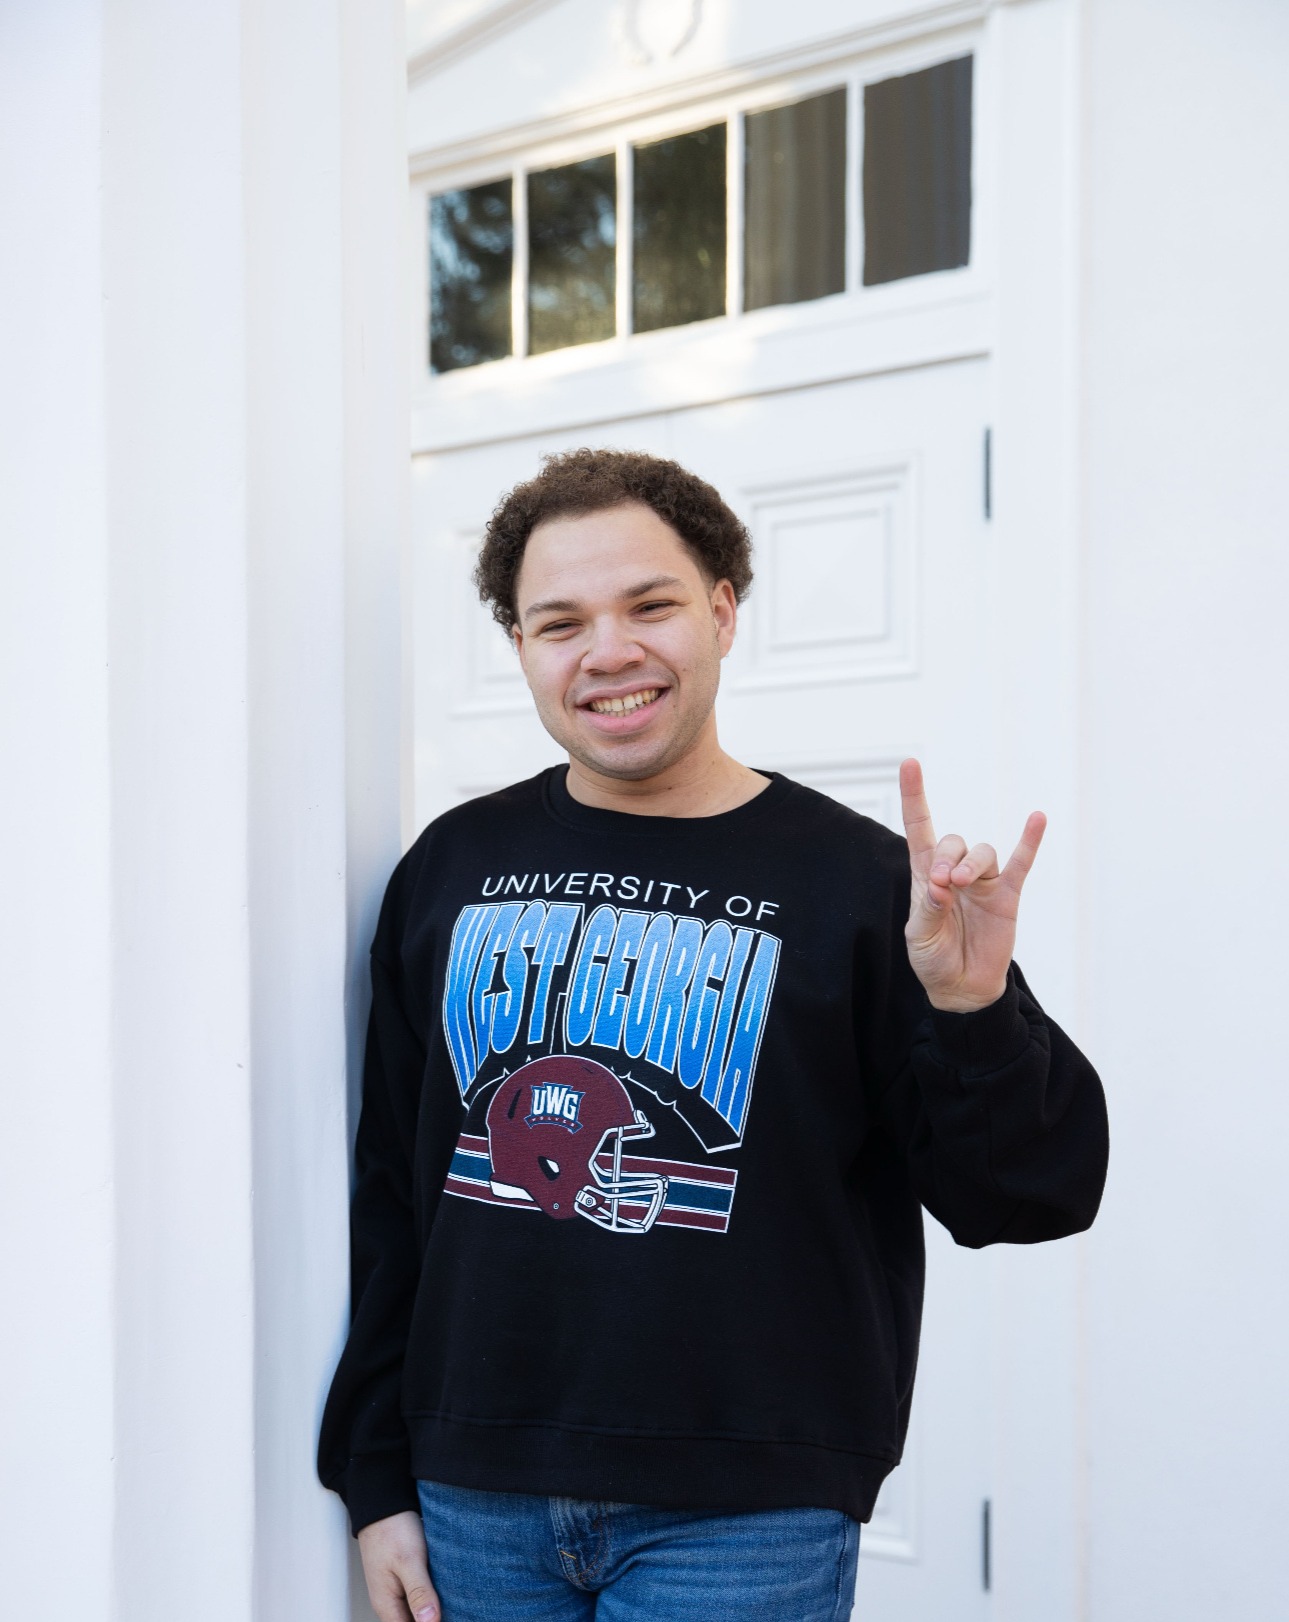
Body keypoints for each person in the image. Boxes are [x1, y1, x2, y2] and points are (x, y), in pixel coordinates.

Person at [318, 448, 1109, 1622]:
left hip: (745, 1507)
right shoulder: (450, 868)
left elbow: (1030, 1194)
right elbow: (391, 1186)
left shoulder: (858, 885)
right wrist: (374, 1476)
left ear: (723, 611)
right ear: (523, 648)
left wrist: (970, 1005)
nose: (607, 651)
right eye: (558, 622)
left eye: (650, 604)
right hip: (470, 1490)